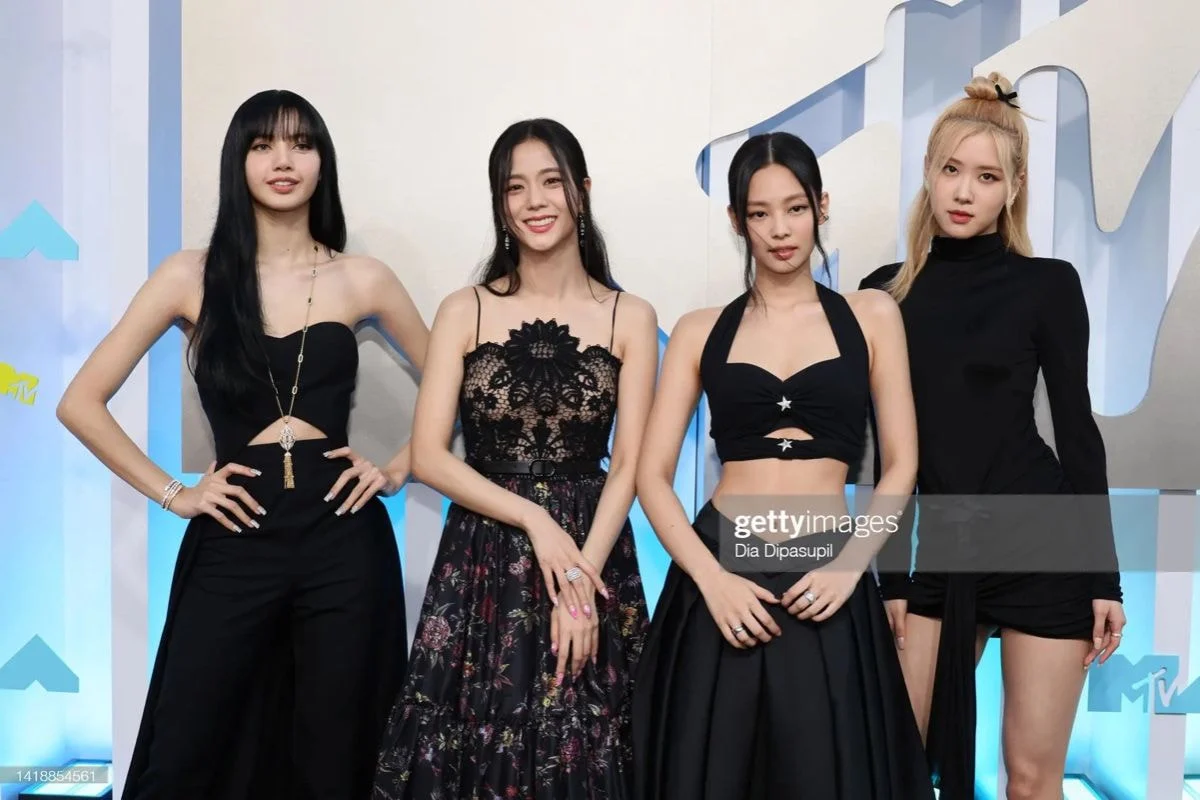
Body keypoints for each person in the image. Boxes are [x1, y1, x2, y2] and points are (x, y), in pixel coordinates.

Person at [57, 90, 429, 799]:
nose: (283, 160)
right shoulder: (189, 275)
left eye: (300, 144)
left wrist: (397, 469)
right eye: (263, 145)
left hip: (343, 540)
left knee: (335, 750)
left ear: (322, 162)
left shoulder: (363, 277)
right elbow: (80, 402)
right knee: (186, 746)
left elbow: (462, 390)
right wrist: (176, 493)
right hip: (235, 533)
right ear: (240, 161)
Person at [631, 131, 933, 798]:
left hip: (827, 572)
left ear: (821, 206)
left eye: (795, 208)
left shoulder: (873, 315)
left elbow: (902, 463)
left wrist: (850, 566)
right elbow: (651, 477)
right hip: (722, 572)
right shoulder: (699, 329)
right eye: (760, 213)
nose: (780, 230)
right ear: (737, 220)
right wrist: (712, 579)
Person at [371, 118, 658, 800]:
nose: (535, 201)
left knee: (584, 731)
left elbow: (628, 466)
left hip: (592, 550)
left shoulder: (630, 315)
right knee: (472, 733)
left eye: (551, 182)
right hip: (483, 555)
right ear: (500, 204)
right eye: (515, 187)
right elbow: (432, 458)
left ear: (582, 191)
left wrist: (580, 582)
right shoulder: (464, 309)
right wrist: (535, 519)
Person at [859, 73, 1127, 800]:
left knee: (1032, 779)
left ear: (1013, 189)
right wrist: (891, 579)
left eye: (986, 176)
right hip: (940, 548)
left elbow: (1077, 434)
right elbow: (887, 451)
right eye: (952, 169)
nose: (964, 192)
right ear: (927, 172)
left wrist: (1103, 579)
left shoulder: (1048, 285)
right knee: (897, 768)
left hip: (1044, 545)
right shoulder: (883, 294)